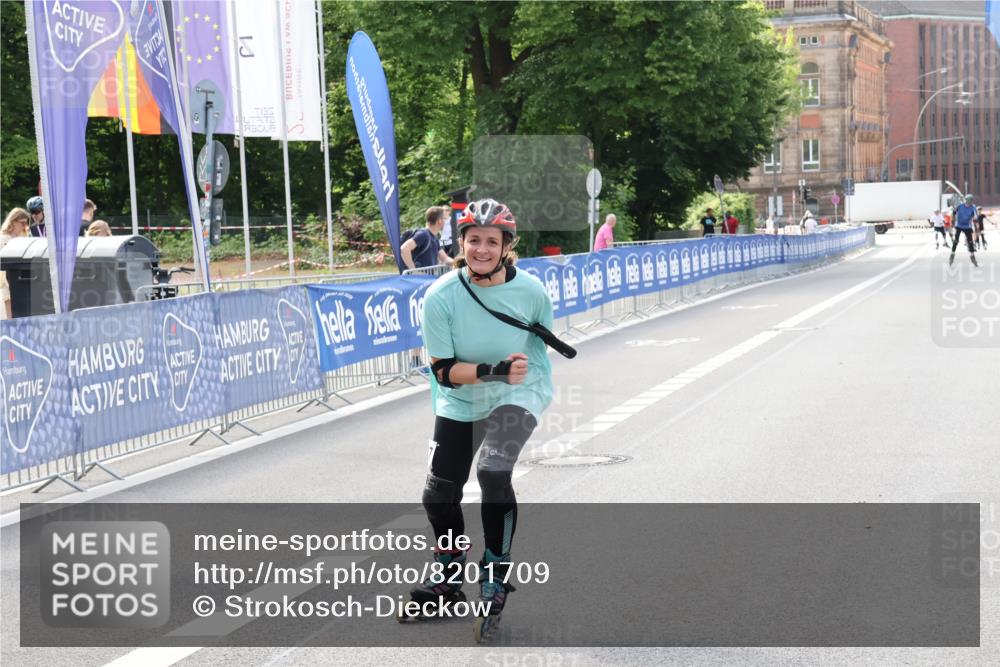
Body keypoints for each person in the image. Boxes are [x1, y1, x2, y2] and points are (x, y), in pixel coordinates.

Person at [407, 198, 554, 641]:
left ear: (506, 245)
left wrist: (510, 377)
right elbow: (443, 372)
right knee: (438, 495)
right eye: (474, 240)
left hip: (519, 392)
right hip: (461, 395)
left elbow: (538, 352)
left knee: (492, 470)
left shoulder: (531, 291)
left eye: (492, 241)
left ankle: (495, 573)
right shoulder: (440, 297)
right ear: (461, 243)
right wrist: (492, 370)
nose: (482, 249)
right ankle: (449, 577)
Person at [1, 208, 31, 319]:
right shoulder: (2, 239)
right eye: (22, 223)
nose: (25, 226)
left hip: (20, 282)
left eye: (26, 223)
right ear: (13, 221)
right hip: (5, 284)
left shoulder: (23, 239)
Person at [401, 206, 452, 270]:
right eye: (444, 219)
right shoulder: (423, 234)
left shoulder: (434, 238)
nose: (445, 222)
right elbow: (404, 248)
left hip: (427, 278)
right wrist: (413, 270)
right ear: (439, 221)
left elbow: (445, 259)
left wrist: (460, 263)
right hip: (419, 278)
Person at [950, 194, 979, 267]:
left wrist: (975, 222)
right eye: (967, 200)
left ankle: (972, 257)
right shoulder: (960, 206)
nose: (968, 201)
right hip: (959, 225)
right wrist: (952, 221)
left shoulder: (973, 207)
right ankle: (952, 254)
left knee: (970, 242)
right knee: (956, 241)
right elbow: (953, 212)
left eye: (970, 200)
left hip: (967, 226)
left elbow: (975, 217)